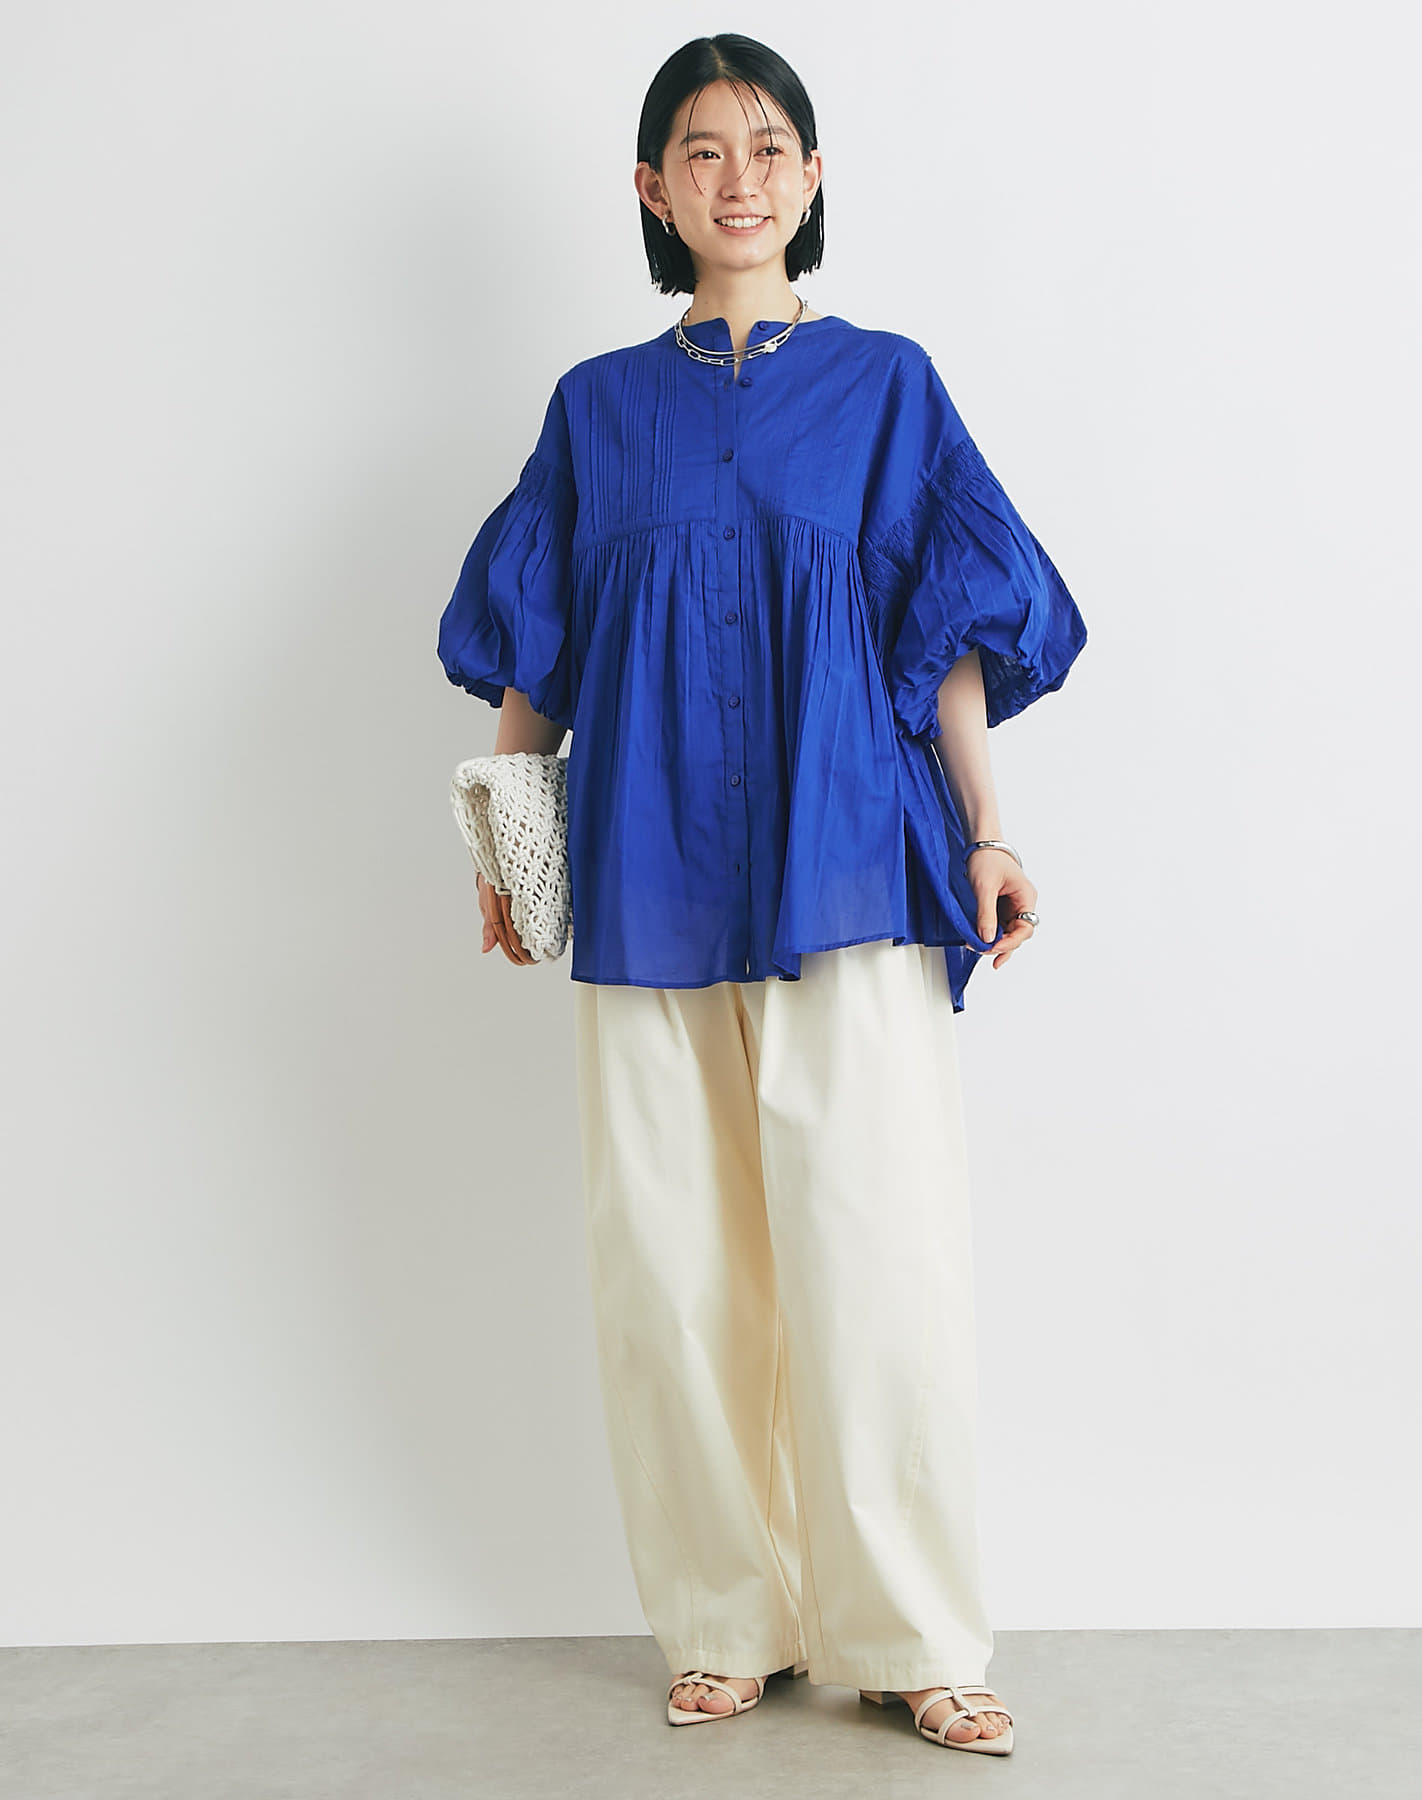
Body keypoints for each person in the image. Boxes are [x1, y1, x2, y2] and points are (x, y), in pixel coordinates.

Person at [436, 34, 1087, 1759]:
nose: (739, 176)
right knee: (672, 1266)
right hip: (643, 866)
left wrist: (990, 830)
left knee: (876, 1249)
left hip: (848, 857)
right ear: (652, 190)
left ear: (812, 177)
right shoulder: (597, 407)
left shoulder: (885, 387)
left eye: (770, 144)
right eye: (702, 149)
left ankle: (913, 1635)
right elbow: (539, 643)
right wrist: (507, 843)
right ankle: (727, 1619)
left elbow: (946, 629)